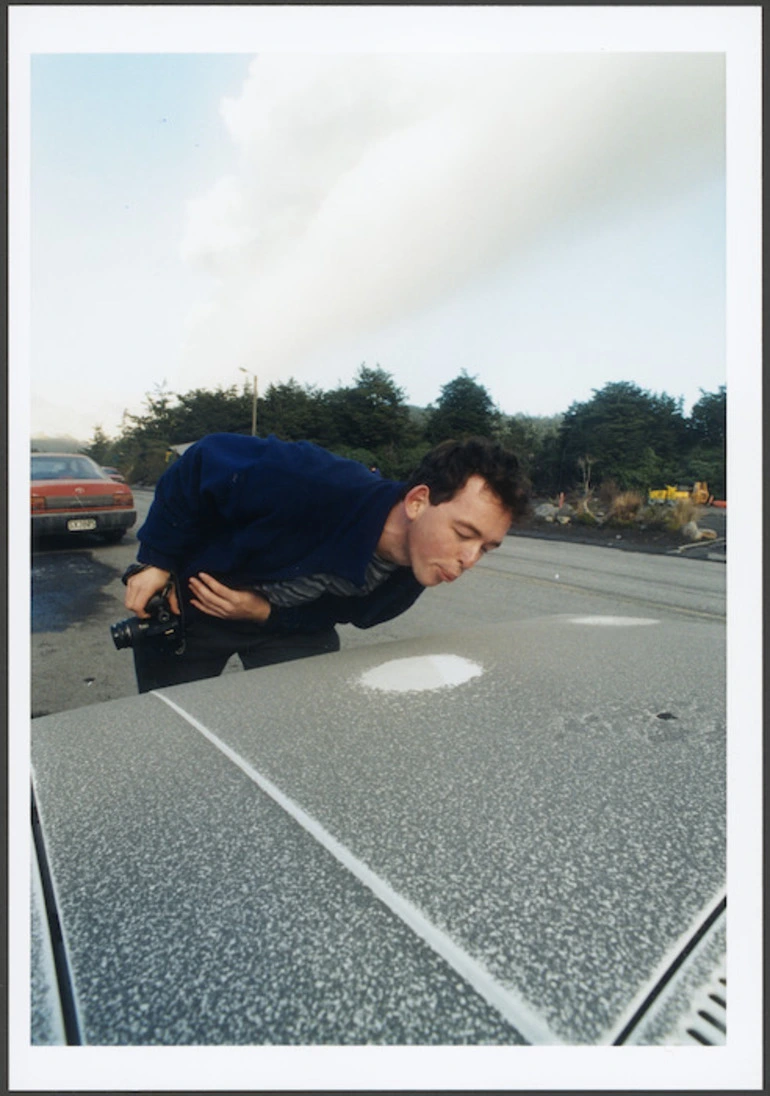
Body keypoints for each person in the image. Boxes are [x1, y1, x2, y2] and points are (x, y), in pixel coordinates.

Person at [122, 432, 528, 692]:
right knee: (169, 732)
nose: (470, 560)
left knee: (306, 729)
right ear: (418, 501)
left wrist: (264, 613)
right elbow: (204, 460)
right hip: (197, 601)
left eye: (486, 547)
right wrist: (157, 560)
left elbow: (333, 614)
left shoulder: (411, 577)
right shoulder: (314, 481)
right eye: (463, 534)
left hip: (283, 624)